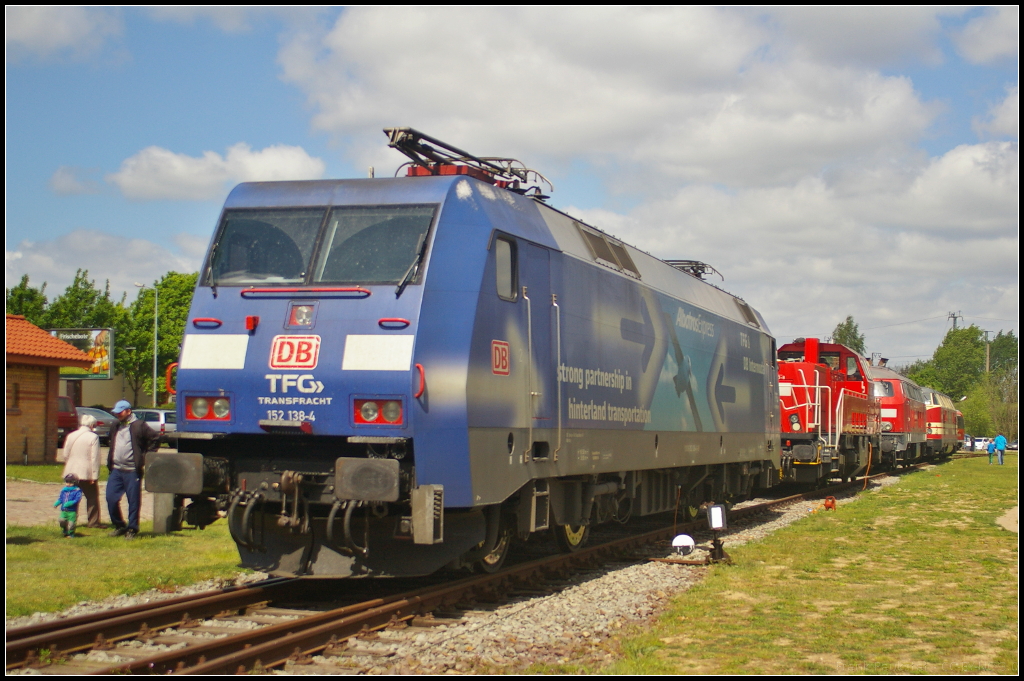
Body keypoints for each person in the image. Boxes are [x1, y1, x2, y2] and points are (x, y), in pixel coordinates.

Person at [106, 400, 159, 540]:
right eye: (116, 412)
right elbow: (111, 441)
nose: (117, 414)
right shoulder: (116, 425)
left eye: (120, 412)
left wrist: (146, 456)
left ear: (128, 411)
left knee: (133, 501)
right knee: (110, 498)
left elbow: (155, 438)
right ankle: (119, 525)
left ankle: (132, 529)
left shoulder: (139, 425)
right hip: (116, 470)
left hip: (132, 471)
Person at [60, 413, 104, 528]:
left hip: (71, 471)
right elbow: (95, 458)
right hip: (86, 472)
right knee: (92, 497)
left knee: (71, 496)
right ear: (91, 425)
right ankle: (93, 522)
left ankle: (69, 519)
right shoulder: (93, 437)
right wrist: (94, 476)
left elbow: (65, 454)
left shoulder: (71, 435)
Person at [54, 473, 84, 537]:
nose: (68, 483)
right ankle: (64, 529)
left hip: (72, 511)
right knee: (61, 520)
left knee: (71, 524)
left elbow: (77, 499)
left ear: (75, 483)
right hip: (64, 510)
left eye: (71, 482)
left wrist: (71, 503)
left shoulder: (77, 491)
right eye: (67, 482)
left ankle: (71, 534)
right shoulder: (64, 490)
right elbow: (61, 498)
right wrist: (57, 503)